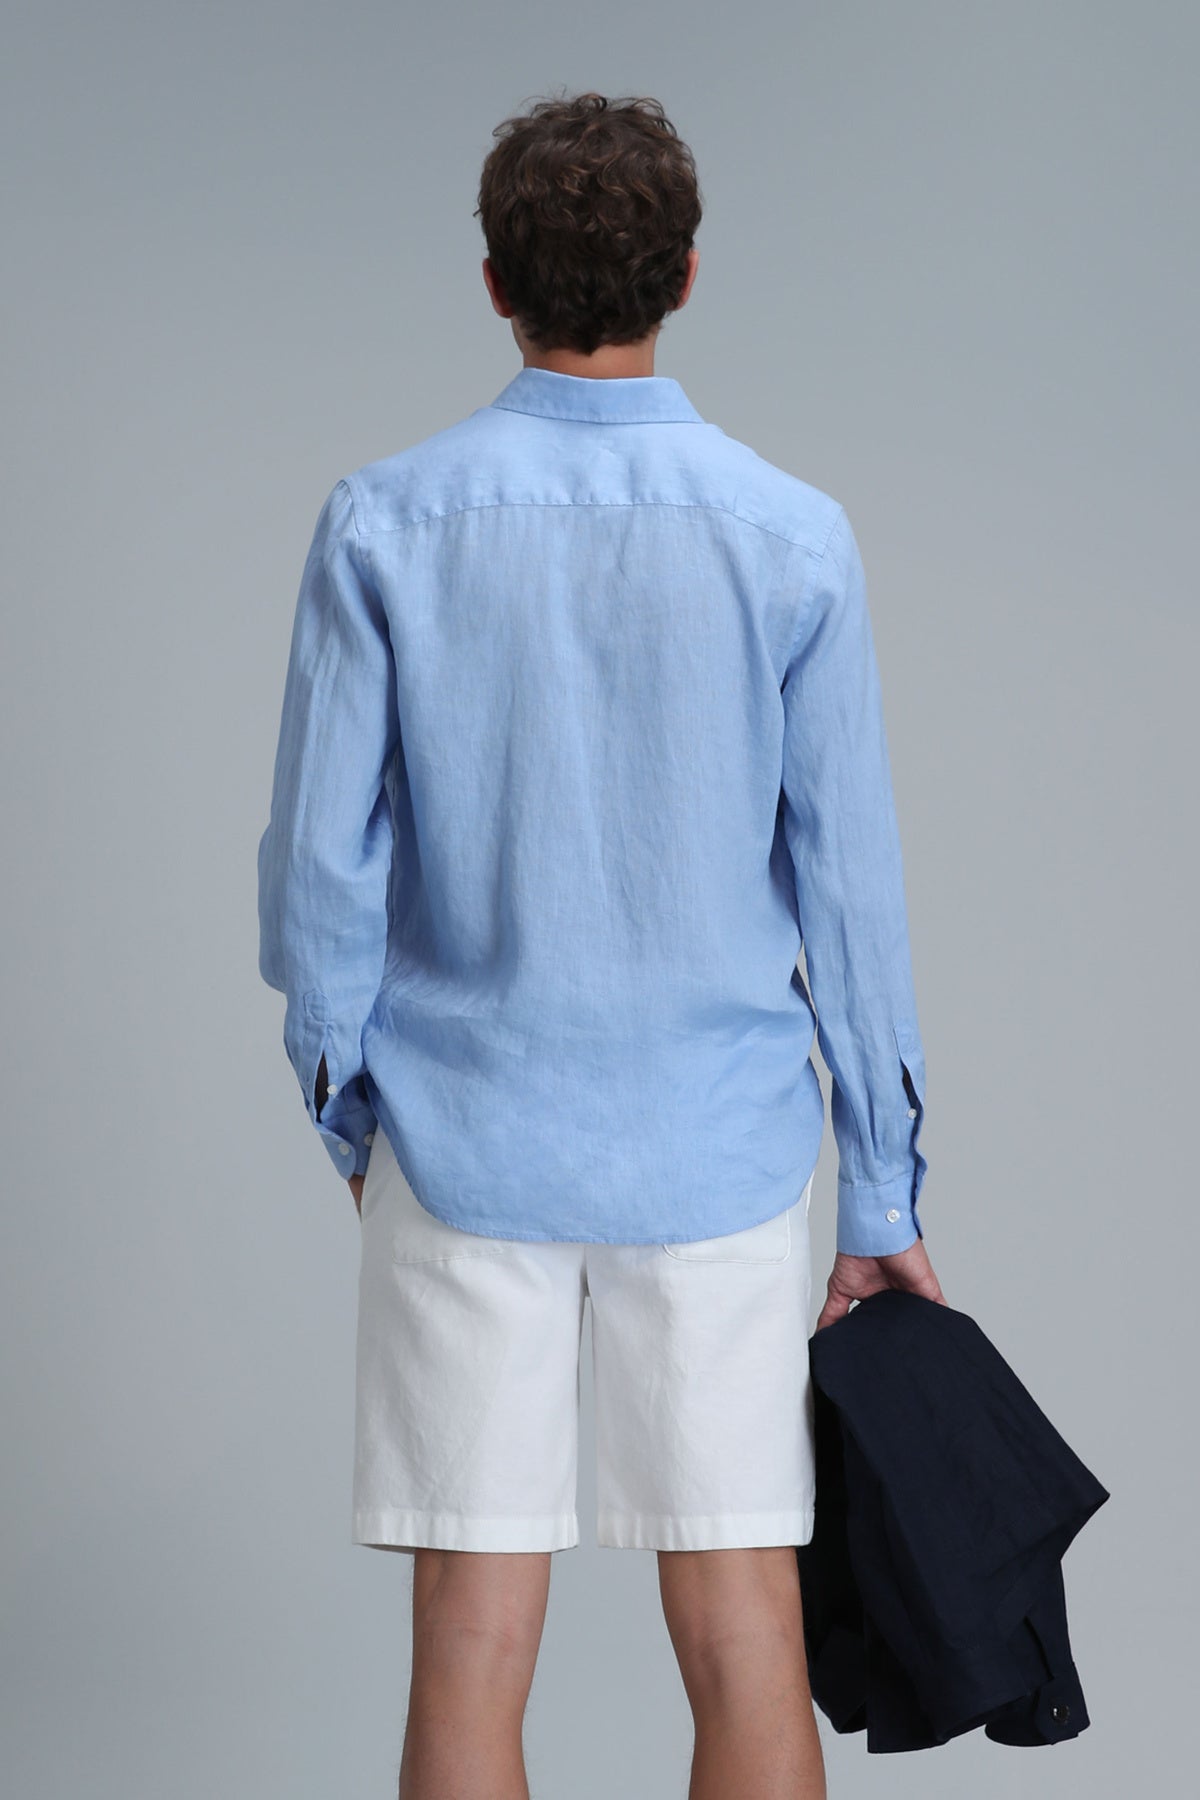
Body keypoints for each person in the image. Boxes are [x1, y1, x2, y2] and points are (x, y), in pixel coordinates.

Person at [257, 87, 946, 1800]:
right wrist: (881, 1194)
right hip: (720, 1149)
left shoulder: (384, 521)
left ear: (495, 283)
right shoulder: (792, 536)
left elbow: (318, 877)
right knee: (745, 1631)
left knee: (470, 1643)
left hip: (459, 1132)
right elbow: (852, 893)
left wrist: (354, 1111)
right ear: (687, 275)